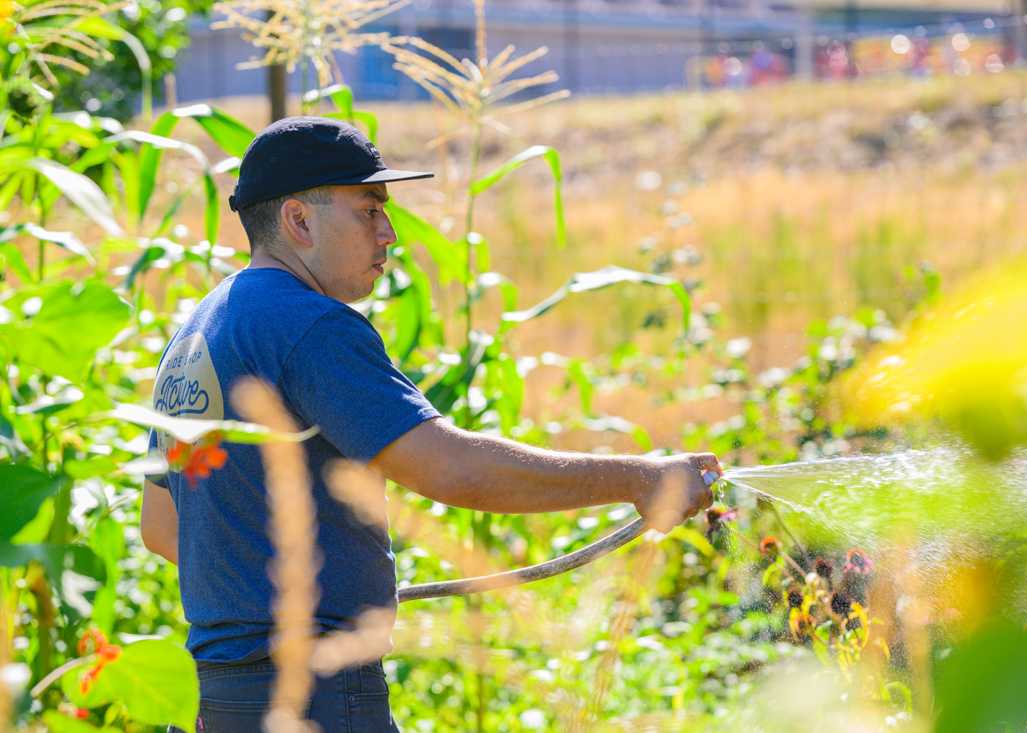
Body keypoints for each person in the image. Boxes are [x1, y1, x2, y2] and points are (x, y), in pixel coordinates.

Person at [140, 116, 719, 732]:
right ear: (298, 221)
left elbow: (161, 527)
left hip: (218, 704)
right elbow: (452, 469)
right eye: (369, 209)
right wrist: (640, 479)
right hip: (314, 701)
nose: (389, 233)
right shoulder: (308, 325)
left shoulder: (198, 332)